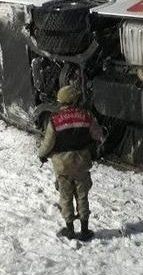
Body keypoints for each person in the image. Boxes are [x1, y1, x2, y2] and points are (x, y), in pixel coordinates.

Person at [38, 86, 104, 242]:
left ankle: (69, 230)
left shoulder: (55, 120)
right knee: (82, 196)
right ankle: (85, 230)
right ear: (75, 100)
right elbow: (98, 135)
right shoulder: (87, 116)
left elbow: (48, 143)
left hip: (62, 166)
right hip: (81, 164)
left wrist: (41, 155)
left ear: (61, 101)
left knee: (65, 197)